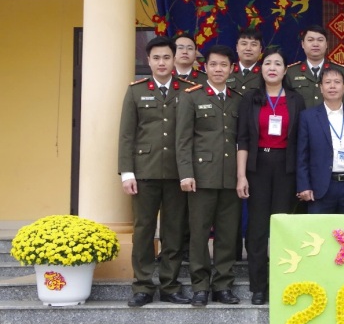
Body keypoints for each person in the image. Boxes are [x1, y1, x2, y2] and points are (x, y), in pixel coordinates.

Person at [118, 37, 193, 307]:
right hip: (144, 173)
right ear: (148, 61)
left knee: (174, 231)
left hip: (177, 173)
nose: (162, 63)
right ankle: (143, 286)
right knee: (143, 231)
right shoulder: (136, 91)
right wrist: (127, 172)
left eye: (166, 57)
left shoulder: (188, 90)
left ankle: (170, 285)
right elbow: (127, 135)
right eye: (156, 58)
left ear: (174, 60)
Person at [236, 49, 305, 305]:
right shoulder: (250, 98)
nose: (272, 67)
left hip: (287, 168)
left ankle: (281, 282)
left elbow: (301, 140)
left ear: (285, 71)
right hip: (258, 167)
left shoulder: (296, 100)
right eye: (268, 63)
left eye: (278, 64)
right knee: (257, 228)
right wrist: (241, 176)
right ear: (261, 69)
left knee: (282, 227)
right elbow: (243, 139)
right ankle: (258, 286)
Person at [176, 44, 242, 307]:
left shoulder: (237, 98)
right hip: (201, 178)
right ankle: (200, 286)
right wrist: (186, 173)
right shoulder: (192, 96)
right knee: (199, 233)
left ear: (231, 69)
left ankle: (223, 285)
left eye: (223, 65)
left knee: (227, 234)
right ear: (205, 67)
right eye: (213, 64)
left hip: (230, 178)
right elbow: (183, 140)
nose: (218, 69)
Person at [297, 67, 344, 213]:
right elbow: (302, 155)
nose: (332, 86)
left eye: (337, 82)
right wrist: (304, 185)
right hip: (320, 187)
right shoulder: (308, 117)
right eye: (327, 82)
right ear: (321, 88)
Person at [285, 25, 344, 108]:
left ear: (326, 44)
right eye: (310, 40)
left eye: (320, 40)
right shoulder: (291, 72)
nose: (315, 44)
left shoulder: (340, 70)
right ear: (303, 44)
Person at [228, 28, 264, 94]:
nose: (248, 48)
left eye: (253, 44)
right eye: (244, 44)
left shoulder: (265, 73)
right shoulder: (227, 71)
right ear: (237, 47)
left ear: (260, 49)